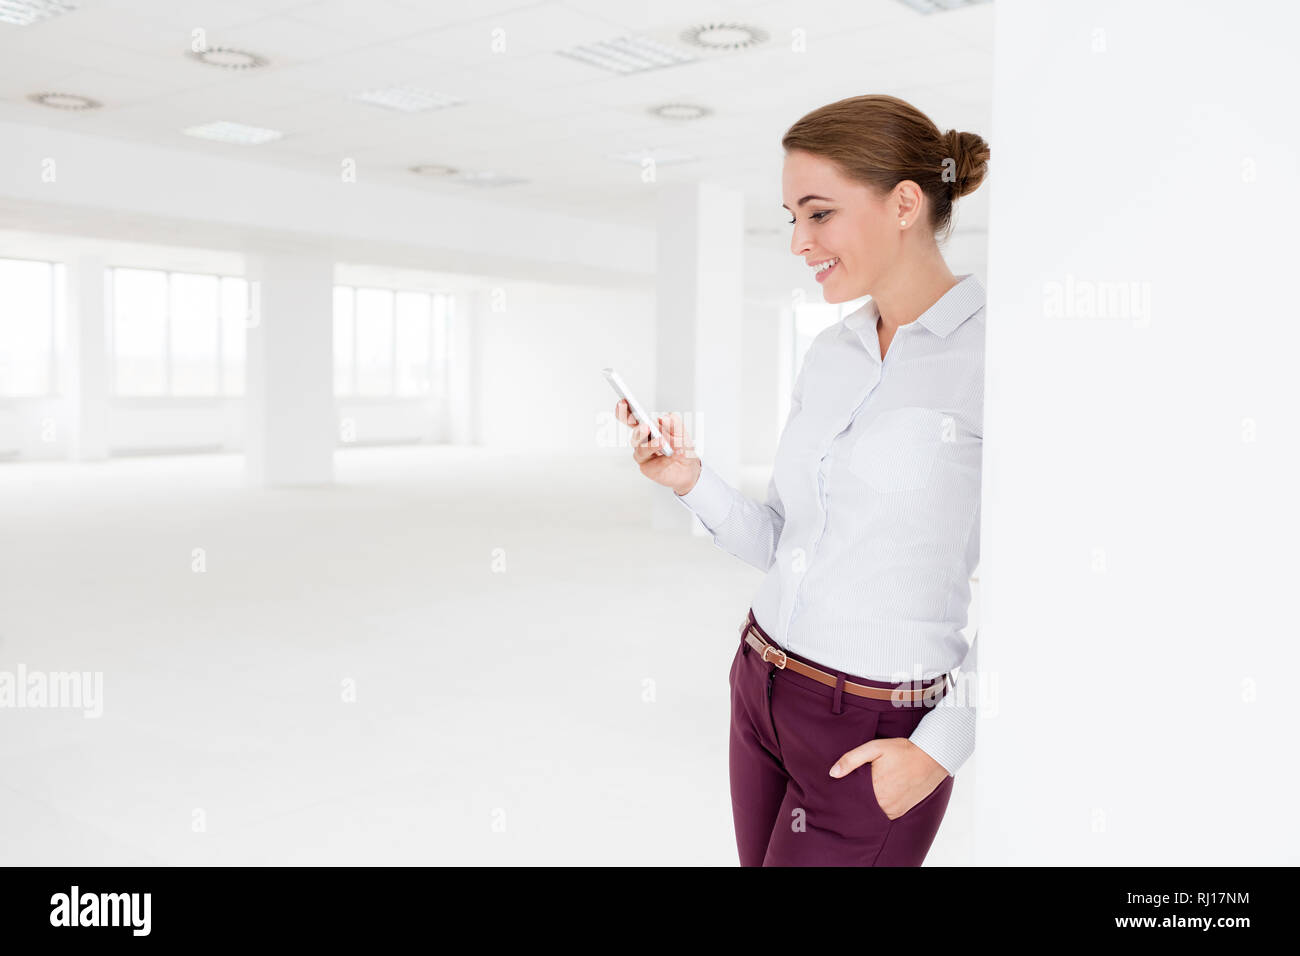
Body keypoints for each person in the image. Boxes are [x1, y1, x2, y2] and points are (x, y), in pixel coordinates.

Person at [616, 94, 990, 866]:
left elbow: (1047, 596)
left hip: (874, 730)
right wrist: (691, 479)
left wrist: (942, 748)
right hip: (760, 686)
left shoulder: (995, 358)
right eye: (791, 216)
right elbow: (788, 542)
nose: (797, 241)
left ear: (905, 204)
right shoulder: (833, 353)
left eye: (818, 214)